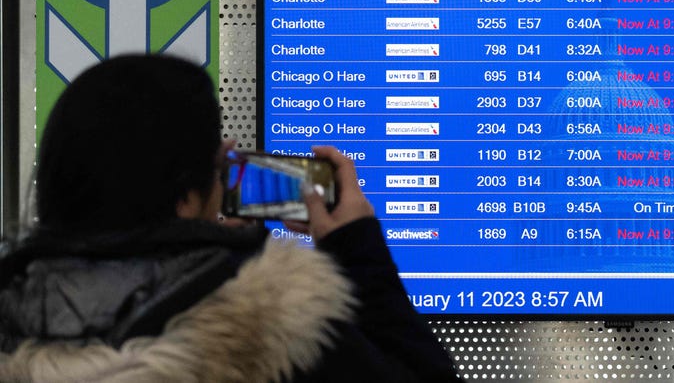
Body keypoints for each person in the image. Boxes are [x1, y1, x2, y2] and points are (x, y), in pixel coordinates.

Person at [0, 54, 462, 382]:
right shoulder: (272, 329)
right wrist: (358, 250)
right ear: (184, 197)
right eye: (217, 168)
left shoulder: (12, 325)